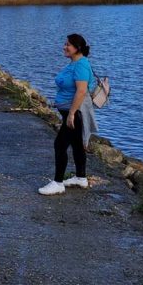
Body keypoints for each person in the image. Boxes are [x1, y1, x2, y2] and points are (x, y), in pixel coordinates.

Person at [38, 33, 98, 196]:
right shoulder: (75, 63)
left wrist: (71, 113)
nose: (64, 47)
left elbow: (81, 91)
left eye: (68, 45)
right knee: (77, 145)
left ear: (77, 48)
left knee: (60, 145)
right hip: (69, 112)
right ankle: (80, 178)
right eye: (65, 44)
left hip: (75, 113)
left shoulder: (81, 66)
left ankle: (58, 183)